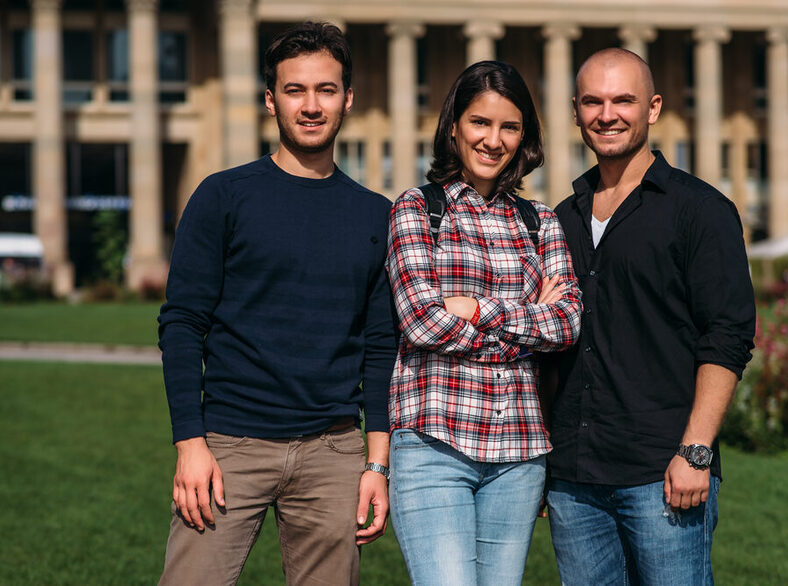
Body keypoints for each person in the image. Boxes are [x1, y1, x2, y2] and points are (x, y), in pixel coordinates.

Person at [156, 22, 396, 585]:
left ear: (348, 98)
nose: (311, 105)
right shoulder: (223, 196)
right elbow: (183, 323)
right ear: (271, 100)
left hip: (333, 451)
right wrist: (190, 443)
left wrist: (376, 464)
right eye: (295, 90)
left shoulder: (376, 215)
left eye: (326, 89)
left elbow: (382, 347)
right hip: (228, 447)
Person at [546, 48, 756, 585]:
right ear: (575, 111)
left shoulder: (700, 210)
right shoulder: (561, 219)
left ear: (654, 108)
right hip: (575, 476)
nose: (607, 114)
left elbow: (728, 336)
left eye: (623, 100)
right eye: (592, 101)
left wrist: (696, 451)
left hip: (662, 471)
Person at [385, 60, 582, 585]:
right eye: (480, 122)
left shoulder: (541, 222)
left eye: (509, 127)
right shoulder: (417, 210)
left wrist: (474, 308)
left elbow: (565, 325)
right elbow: (420, 322)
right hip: (433, 446)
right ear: (454, 127)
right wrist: (524, 324)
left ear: (524, 137)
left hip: (519, 454)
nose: (493, 140)